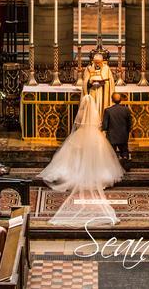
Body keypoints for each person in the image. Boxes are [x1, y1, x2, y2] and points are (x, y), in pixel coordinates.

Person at [40, 94, 124, 227]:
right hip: (94, 137)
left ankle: (78, 172)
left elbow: (77, 126)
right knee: (96, 156)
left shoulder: (80, 113)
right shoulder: (95, 113)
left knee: (76, 156)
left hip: (80, 136)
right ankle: (95, 174)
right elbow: (98, 125)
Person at [102, 92, 132, 167]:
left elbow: (105, 126)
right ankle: (125, 165)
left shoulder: (108, 110)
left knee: (112, 153)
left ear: (112, 100)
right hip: (123, 135)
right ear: (121, 100)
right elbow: (129, 124)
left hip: (112, 136)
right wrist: (127, 132)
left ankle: (113, 167)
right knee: (124, 151)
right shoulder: (126, 110)